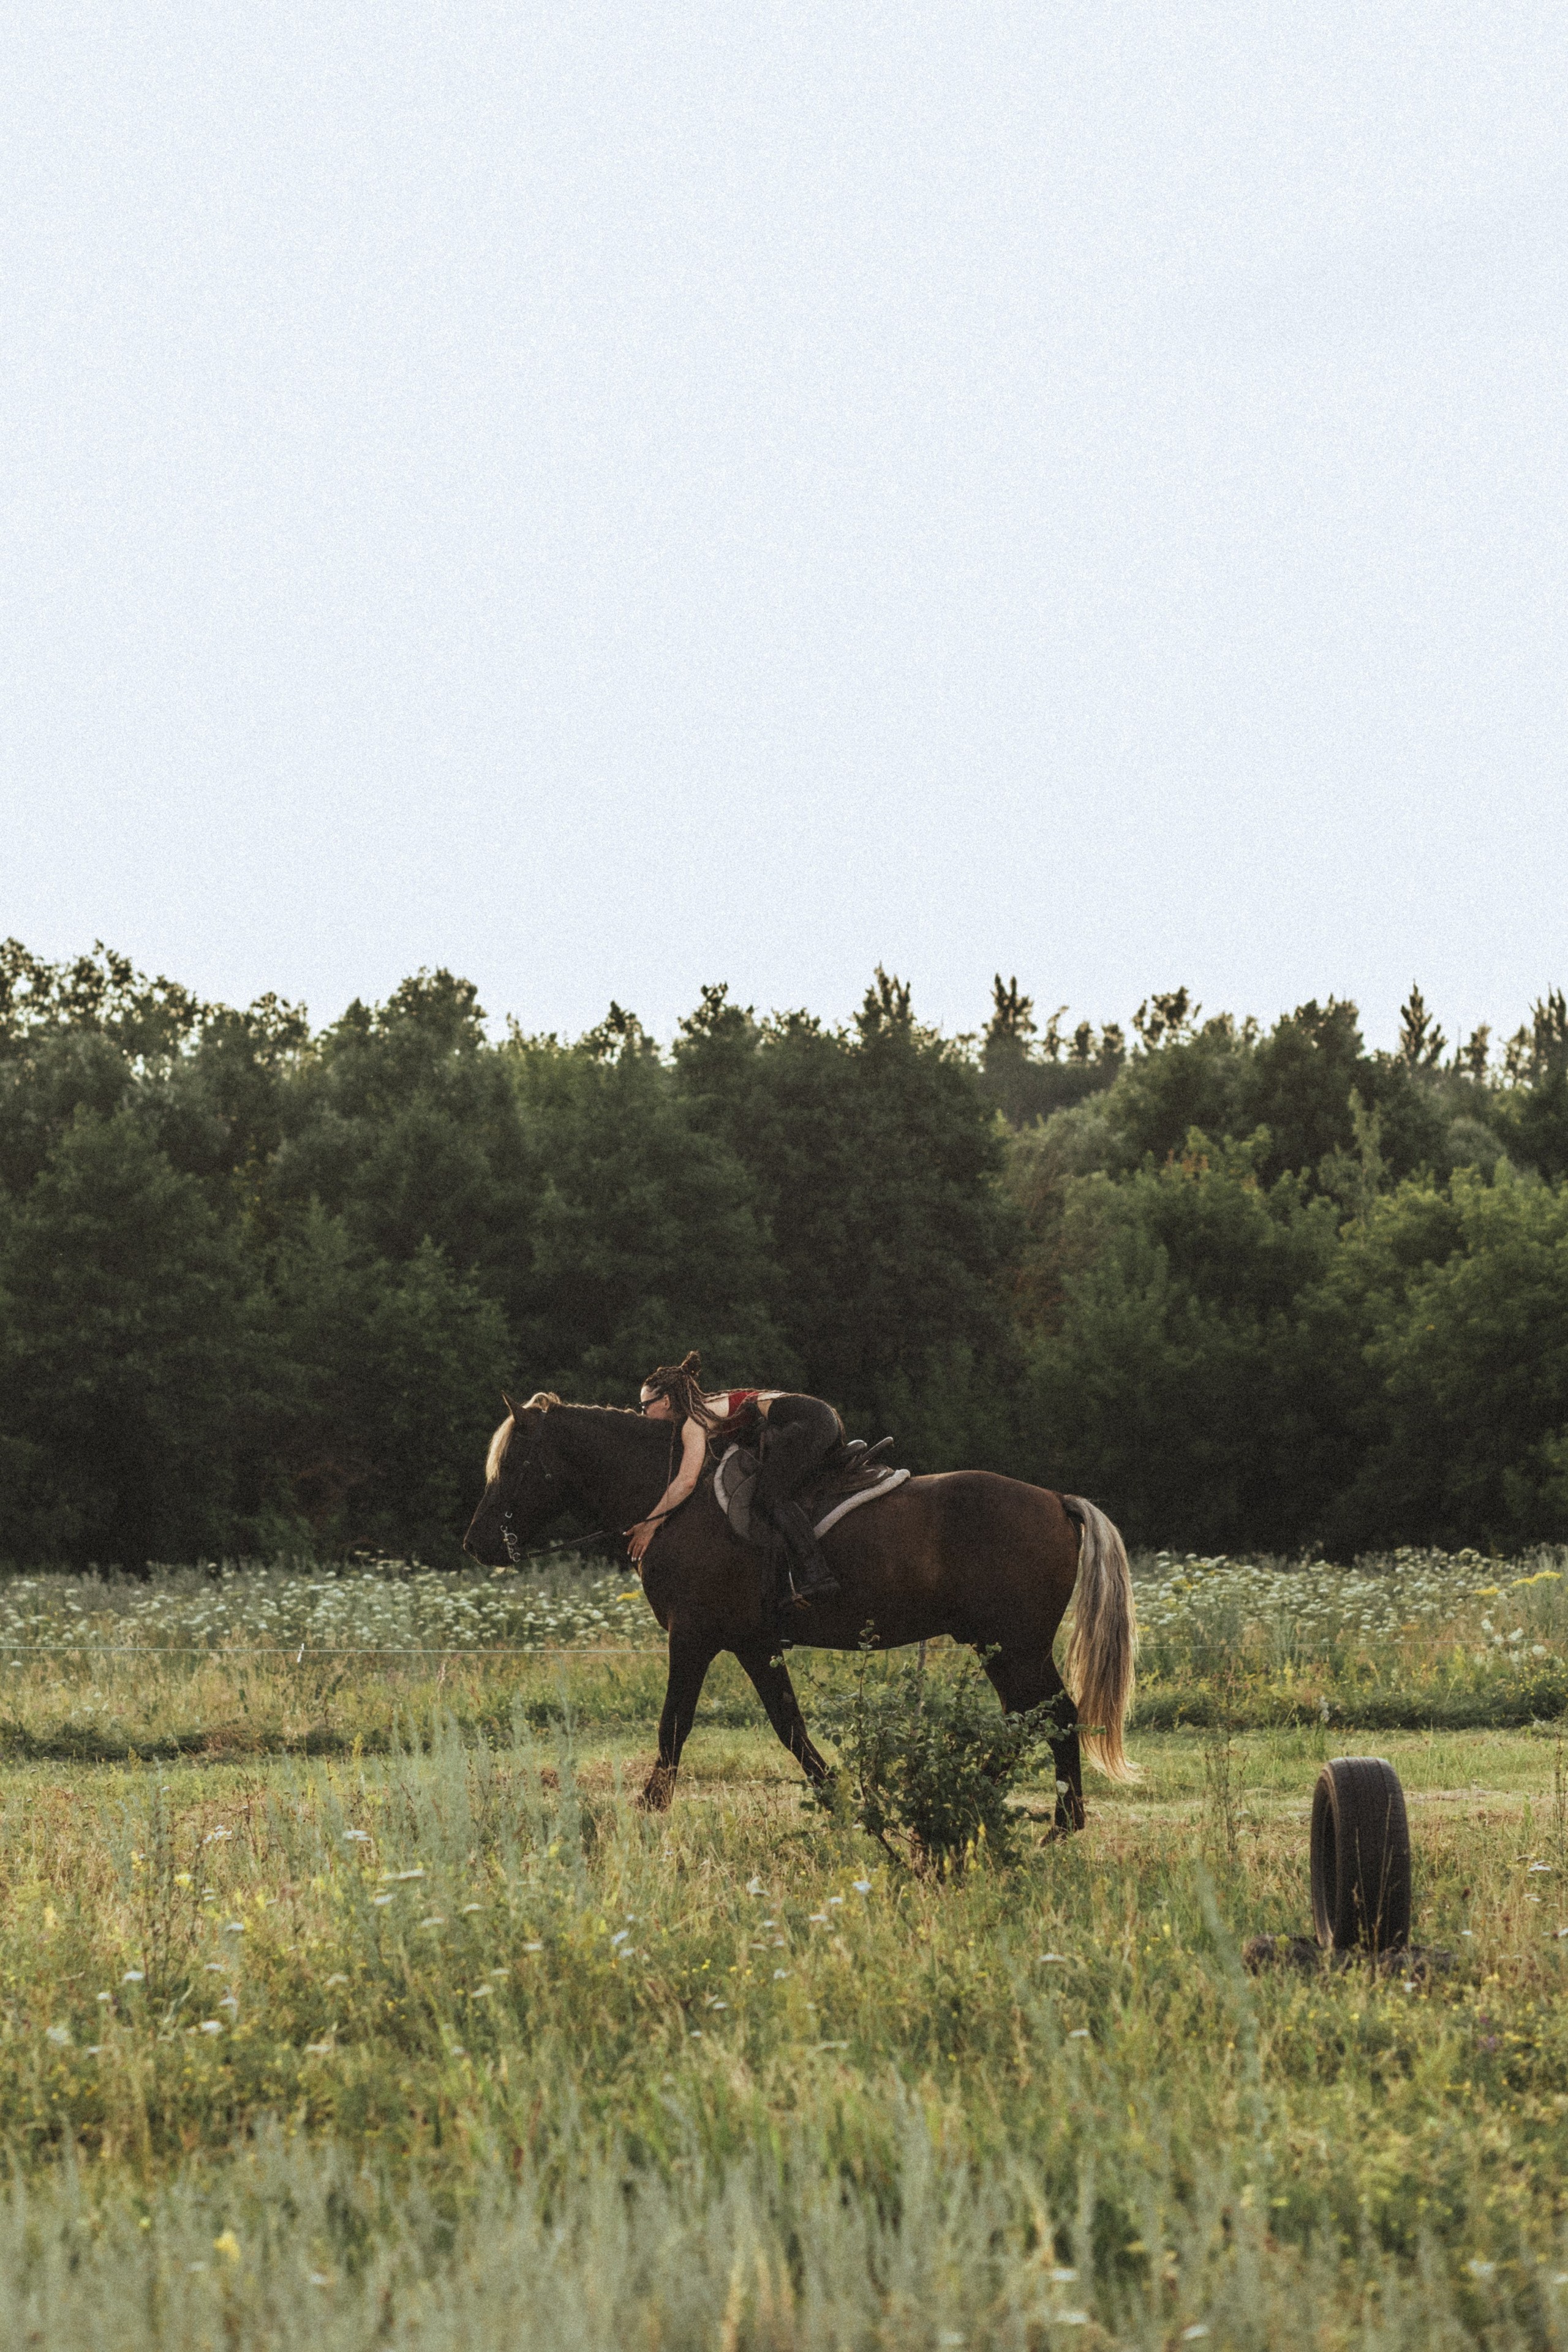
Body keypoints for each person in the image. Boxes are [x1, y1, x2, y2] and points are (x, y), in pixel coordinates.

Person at [626, 1351, 841, 1604]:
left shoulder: (695, 1420)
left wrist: (649, 1526)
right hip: (816, 1417)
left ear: (664, 1401)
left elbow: (687, 1482)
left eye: (645, 1406)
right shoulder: (704, 1411)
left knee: (769, 1499)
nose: (643, 1414)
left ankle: (816, 1576)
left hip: (808, 1422)